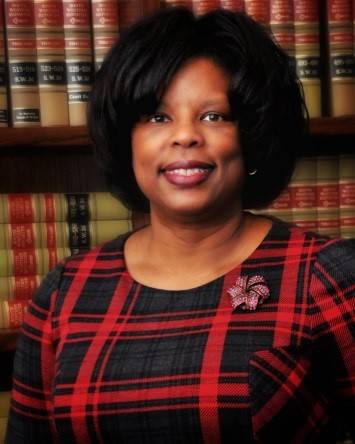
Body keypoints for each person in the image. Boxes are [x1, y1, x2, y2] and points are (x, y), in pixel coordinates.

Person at [5, 7, 355, 444]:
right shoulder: (65, 293)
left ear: (251, 136)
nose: (185, 136)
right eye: (158, 117)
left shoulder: (327, 277)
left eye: (215, 116)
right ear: (125, 139)